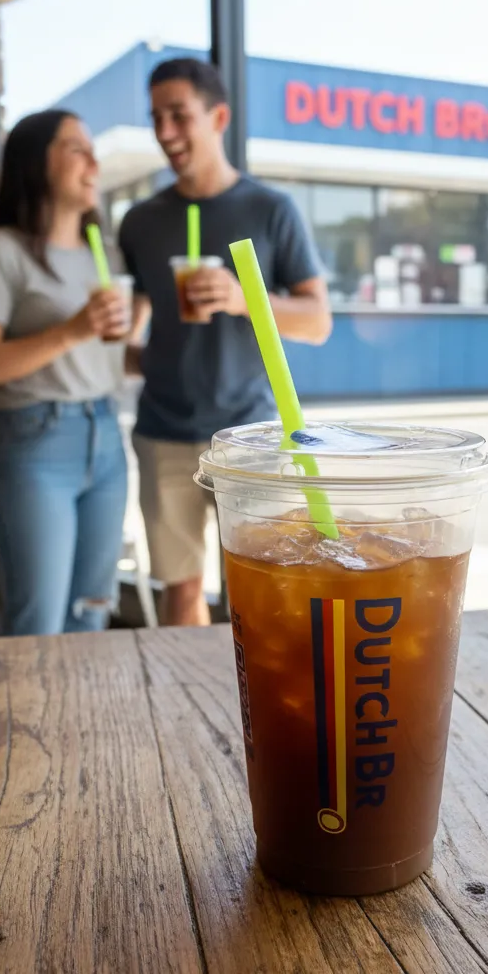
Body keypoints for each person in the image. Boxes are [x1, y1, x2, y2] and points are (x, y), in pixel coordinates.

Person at [119, 58, 332, 627]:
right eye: (156, 118)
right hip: (162, 431)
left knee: (260, 589)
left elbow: (317, 321)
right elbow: (131, 327)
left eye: (178, 115)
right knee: (181, 591)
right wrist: (130, 352)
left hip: (249, 435)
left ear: (218, 118)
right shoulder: (140, 221)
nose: (165, 132)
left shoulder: (270, 210)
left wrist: (243, 298)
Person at [0, 110, 130, 636]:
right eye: (77, 148)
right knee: (37, 624)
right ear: (36, 161)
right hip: (36, 444)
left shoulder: (106, 254)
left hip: (107, 438)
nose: (93, 162)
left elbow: (108, 358)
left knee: (92, 614)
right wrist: (72, 331)